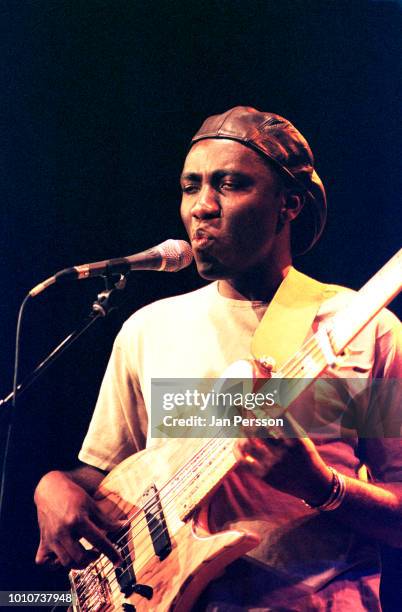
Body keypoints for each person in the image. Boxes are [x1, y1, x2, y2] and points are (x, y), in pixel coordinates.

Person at [34, 107, 402, 611]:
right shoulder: (148, 330)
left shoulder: (365, 331)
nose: (202, 207)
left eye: (229, 184)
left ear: (288, 205)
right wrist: (52, 488)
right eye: (191, 187)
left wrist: (323, 487)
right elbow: (104, 480)